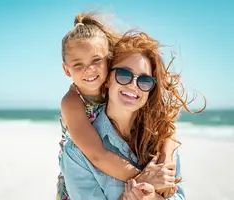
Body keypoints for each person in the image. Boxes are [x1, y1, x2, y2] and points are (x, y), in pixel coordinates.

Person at [60, 30, 204, 199]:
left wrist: (153, 196)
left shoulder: (161, 142)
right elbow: (97, 155)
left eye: (144, 80)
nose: (133, 85)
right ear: (108, 79)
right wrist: (144, 181)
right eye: (124, 74)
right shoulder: (77, 152)